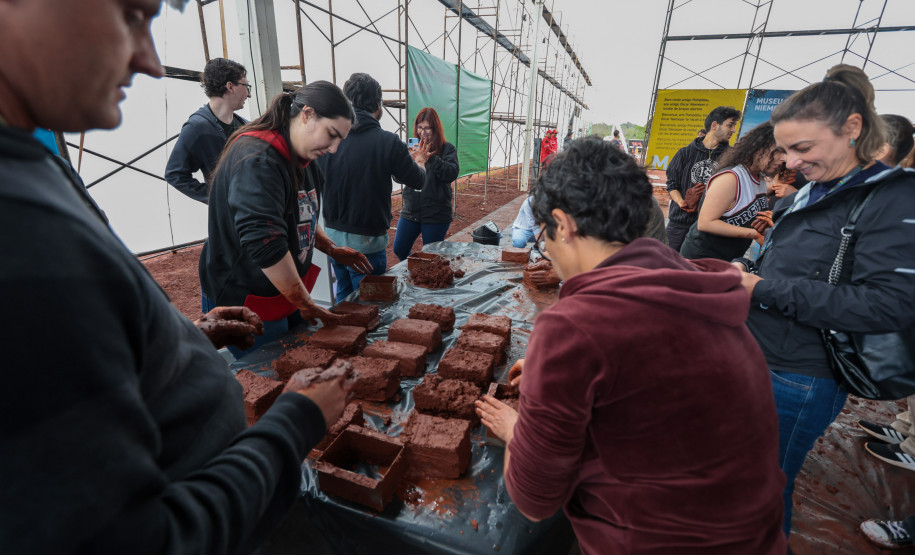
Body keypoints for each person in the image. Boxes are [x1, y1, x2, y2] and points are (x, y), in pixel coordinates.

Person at [0, 1, 351, 553]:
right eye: (131, 15)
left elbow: (91, 349)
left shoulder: (34, 169)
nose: (151, 61)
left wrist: (181, 335)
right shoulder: (19, 232)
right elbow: (134, 537)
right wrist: (294, 423)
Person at [474, 137, 786, 554]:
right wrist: (560, 375)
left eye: (545, 237)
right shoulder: (697, 282)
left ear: (564, 226)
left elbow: (535, 500)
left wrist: (518, 430)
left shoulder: (573, 328)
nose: (547, 252)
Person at [732, 64, 915, 537]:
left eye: (802, 148)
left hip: (800, 374)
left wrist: (762, 289)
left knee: (763, 490)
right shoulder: (814, 190)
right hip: (759, 353)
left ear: (852, 128)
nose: (790, 162)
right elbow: (795, 268)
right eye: (784, 150)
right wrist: (748, 273)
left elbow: (887, 306)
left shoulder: (890, 198)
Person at [200, 81, 373, 357]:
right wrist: (306, 302)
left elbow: (303, 211)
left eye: (340, 139)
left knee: (296, 358)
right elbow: (265, 243)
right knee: (268, 370)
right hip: (249, 297)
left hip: (285, 292)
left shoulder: (303, 157)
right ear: (307, 114)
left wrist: (330, 248)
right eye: (331, 134)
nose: (333, 149)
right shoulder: (258, 160)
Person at [318, 73, 425, 302]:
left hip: (333, 240)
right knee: (372, 307)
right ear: (378, 105)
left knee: (344, 298)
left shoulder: (328, 138)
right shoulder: (387, 141)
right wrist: (420, 162)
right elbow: (417, 180)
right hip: (367, 246)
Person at [679, 122, 784, 261]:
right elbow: (705, 223)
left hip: (728, 258)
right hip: (702, 258)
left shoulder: (759, 178)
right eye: (778, 151)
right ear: (758, 148)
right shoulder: (731, 177)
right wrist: (753, 234)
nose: (784, 158)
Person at [165, 57, 250, 203]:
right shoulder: (197, 127)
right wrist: (217, 198)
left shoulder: (245, 126)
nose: (249, 94)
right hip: (230, 215)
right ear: (230, 87)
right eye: (246, 86)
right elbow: (175, 174)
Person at [665, 106, 741, 252]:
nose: (733, 130)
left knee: (696, 266)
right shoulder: (684, 153)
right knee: (667, 263)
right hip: (679, 224)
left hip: (709, 229)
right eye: (730, 125)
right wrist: (682, 202)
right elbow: (672, 184)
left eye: (734, 126)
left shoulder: (732, 157)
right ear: (714, 125)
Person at [392, 107, 459, 261]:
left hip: (436, 213)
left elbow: (451, 174)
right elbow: (398, 178)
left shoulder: (447, 149)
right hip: (411, 210)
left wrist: (431, 159)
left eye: (427, 128)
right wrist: (407, 161)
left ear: (435, 129)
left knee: (431, 256)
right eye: (420, 127)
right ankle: (416, 271)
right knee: (400, 249)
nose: (423, 132)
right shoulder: (411, 149)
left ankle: (426, 274)